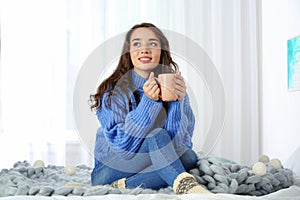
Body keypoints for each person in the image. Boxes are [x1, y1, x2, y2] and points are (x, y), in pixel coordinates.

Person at [89, 22, 209, 194]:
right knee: (157, 135)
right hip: (109, 170)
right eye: (137, 44)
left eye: (152, 44)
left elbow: (177, 147)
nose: (144, 49)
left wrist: (176, 102)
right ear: (128, 52)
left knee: (188, 156)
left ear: (162, 52)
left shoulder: (176, 89)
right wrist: (149, 102)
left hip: (148, 164)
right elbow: (126, 148)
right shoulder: (112, 92)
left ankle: (127, 185)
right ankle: (188, 188)